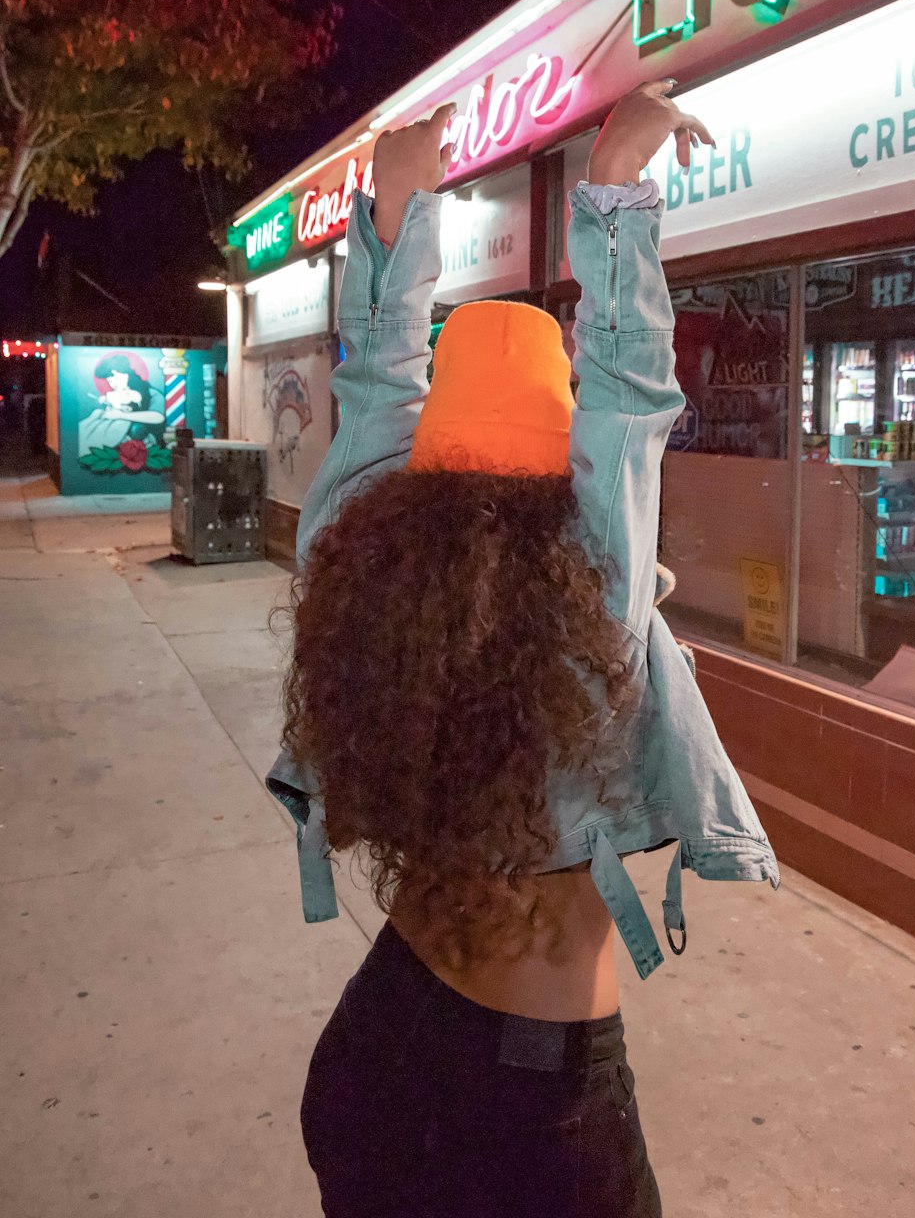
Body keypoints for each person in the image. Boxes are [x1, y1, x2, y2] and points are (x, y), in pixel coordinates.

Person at [269, 82, 780, 1218]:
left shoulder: (360, 557)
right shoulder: (588, 588)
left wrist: (400, 204)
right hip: (532, 1107)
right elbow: (628, 401)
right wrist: (612, 188)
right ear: (560, 455)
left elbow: (374, 395)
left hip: (379, 1041)